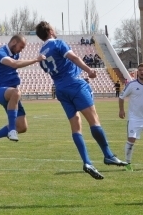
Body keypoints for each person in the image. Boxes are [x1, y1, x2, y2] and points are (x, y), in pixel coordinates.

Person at [35, 21, 127, 180]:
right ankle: (108, 155)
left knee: (76, 126)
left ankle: (87, 162)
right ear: (50, 30)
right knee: (94, 120)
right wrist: (89, 70)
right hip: (74, 84)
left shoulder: (41, 54)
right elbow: (74, 57)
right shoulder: (58, 44)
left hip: (60, 89)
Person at [0, 34, 45, 153]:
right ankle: (11, 130)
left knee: (22, 127)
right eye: (21, 47)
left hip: (11, 93)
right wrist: (36, 59)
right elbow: (14, 64)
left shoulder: (15, 54)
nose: (21, 50)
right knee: (16, 93)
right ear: (13, 42)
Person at [118, 63, 143, 171]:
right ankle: (127, 163)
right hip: (134, 119)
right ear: (138, 72)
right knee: (131, 140)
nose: (142, 72)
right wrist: (121, 110)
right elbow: (121, 96)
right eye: (140, 70)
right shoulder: (132, 85)